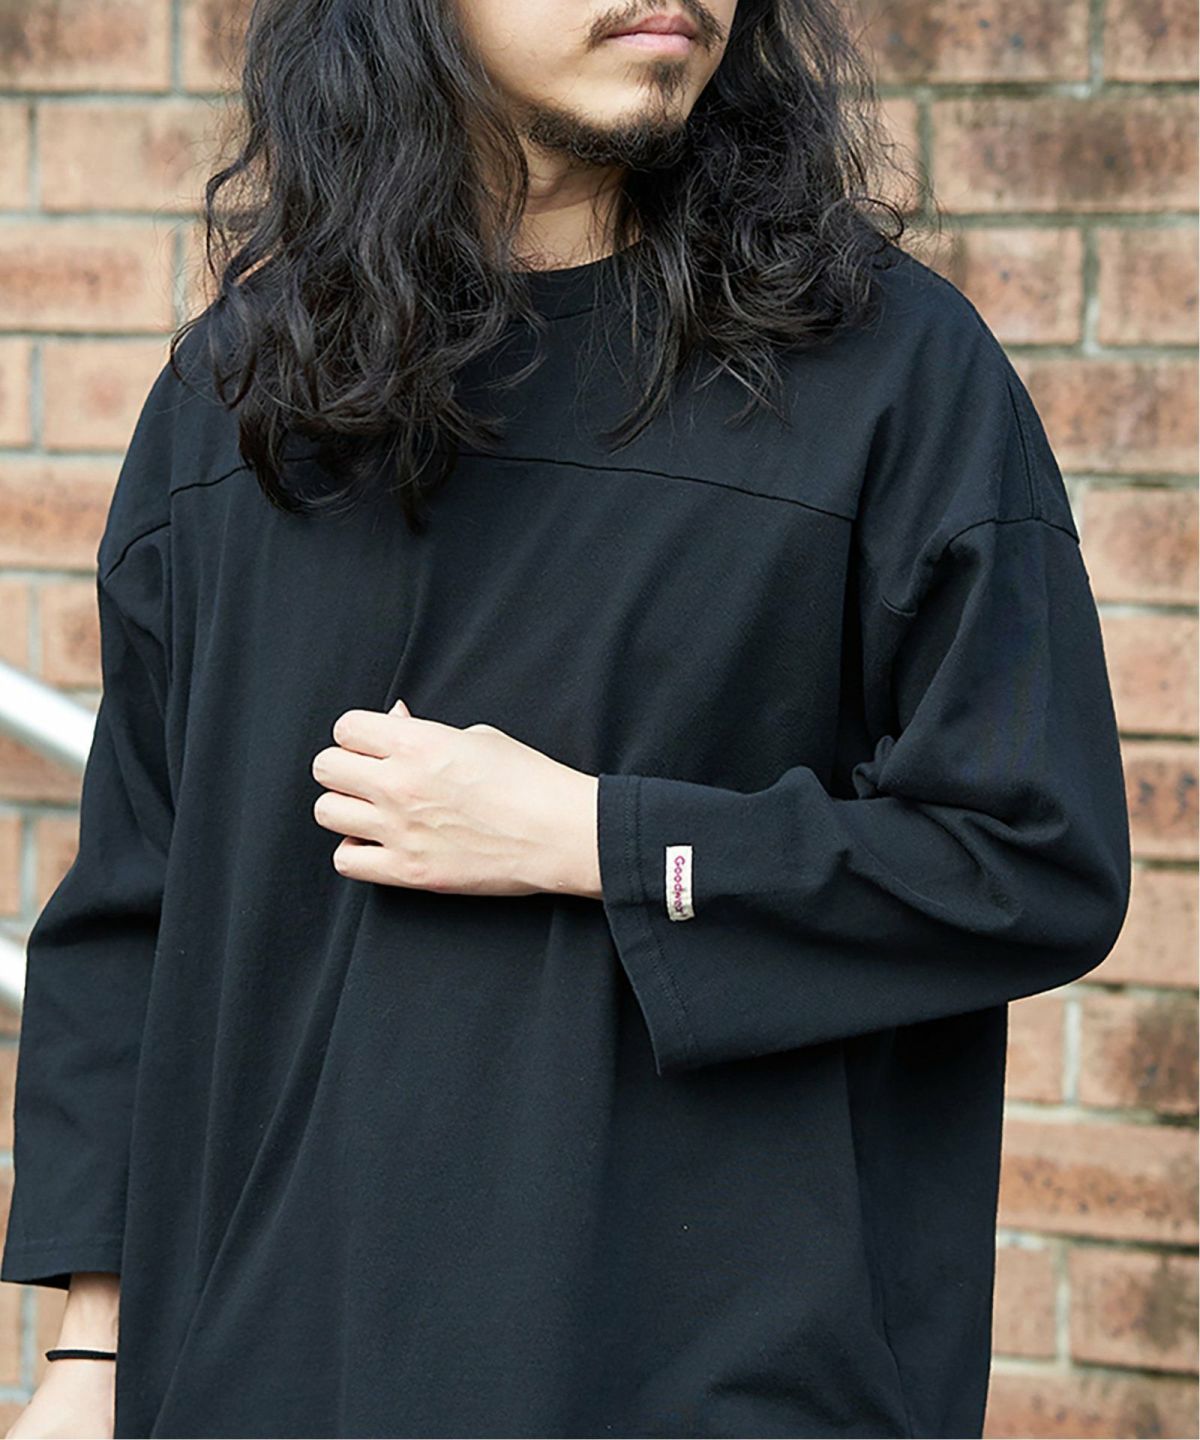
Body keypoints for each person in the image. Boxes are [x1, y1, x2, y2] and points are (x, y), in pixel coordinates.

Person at [2, 2, 1131, 1437]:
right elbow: (136, 908)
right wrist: (92, 1355)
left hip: (710, 1378)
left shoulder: (892, 369)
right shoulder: (240, 395)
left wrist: (605, 841)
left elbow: (1030, 857)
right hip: (279, 1371)